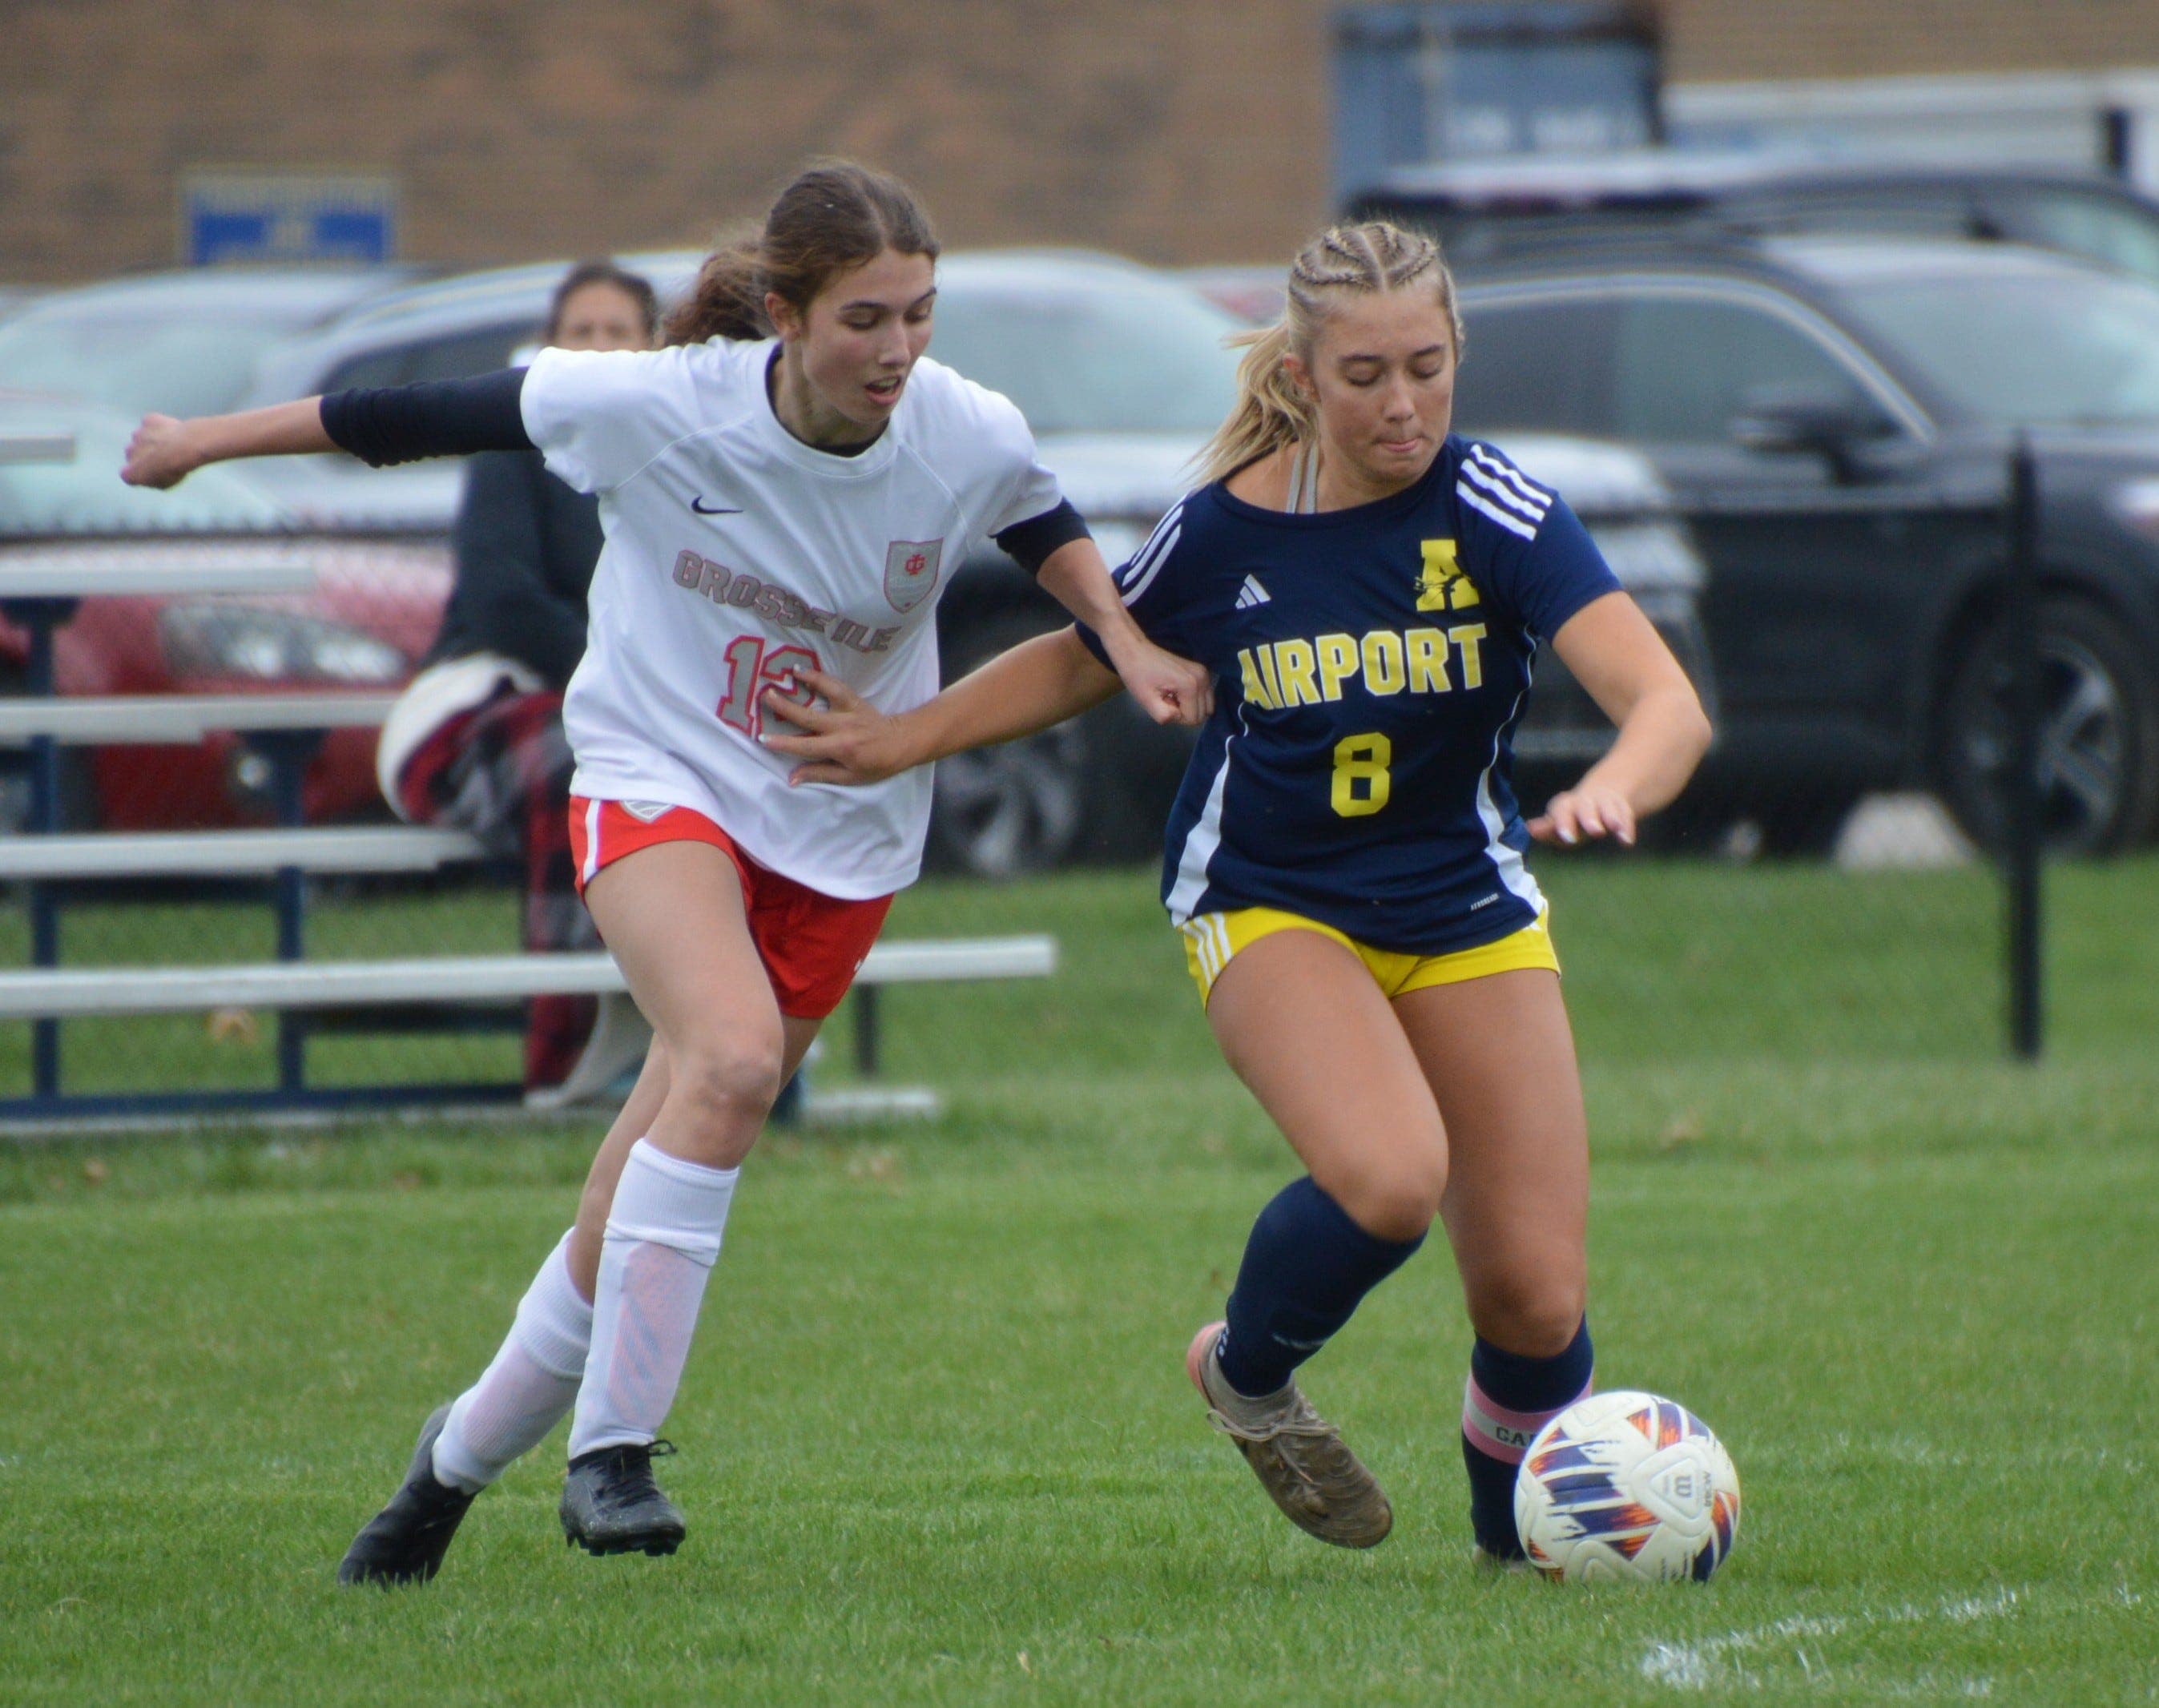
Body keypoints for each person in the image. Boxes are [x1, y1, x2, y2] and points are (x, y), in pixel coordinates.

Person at [122, 159, 1211, 1582]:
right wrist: (202, 440)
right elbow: (401, 418)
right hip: (659, 777)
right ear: (782, 312)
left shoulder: (960, 427)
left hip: (843, 832)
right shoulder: (645, 403)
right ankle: (611, 1453)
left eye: (920, 316)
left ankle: (439, 1478)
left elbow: (1038, 519)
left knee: (633, 1188)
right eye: (864, 320)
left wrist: (1126, 641)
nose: (898, 351)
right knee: (737, 1061)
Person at [760, 220, 1712, 1563]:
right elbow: (1089, 653)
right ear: (1306, 377)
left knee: (1537, 1294)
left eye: (1428, 368)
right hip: (1272, 898)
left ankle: (1521, 1557)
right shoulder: (1227, 527)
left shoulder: (1496, 507)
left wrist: (1625, 777)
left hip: (1462, 901)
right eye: (1368, 375)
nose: (1404, 404)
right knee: (1389, 1178)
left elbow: (1664, 703)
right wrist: (898, 733)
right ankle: (1246, 1374)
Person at [374, 260, 660, 1098]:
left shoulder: (678, 454)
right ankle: (572, 1056)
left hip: (631, 708)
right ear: (550, 346)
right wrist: (626, 688)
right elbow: (504, 600)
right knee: (569, 763)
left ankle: (736, 1037)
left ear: (653, 345)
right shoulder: (515, 440)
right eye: (582, 331)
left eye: (620, 331)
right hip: (490, 699)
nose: (601, 348)